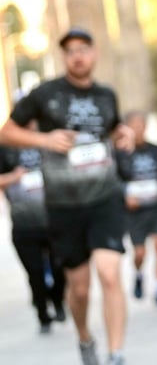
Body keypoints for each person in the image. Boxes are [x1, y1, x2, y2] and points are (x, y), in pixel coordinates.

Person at [0, 27, 135, 365]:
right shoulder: (45, 94)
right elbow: (7, 132)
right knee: (80, 289)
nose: (77, 55)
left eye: (83, 48)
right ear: (64, 57)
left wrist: (124, 134)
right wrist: (44, 141)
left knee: (109, 273)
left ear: (94, 53)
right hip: (64, 204)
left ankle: (116, 354)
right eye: (70, 50)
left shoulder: (106, 95)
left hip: (104, 197)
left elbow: (113, 128)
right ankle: (85, 337)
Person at [0, 130, 67, 334]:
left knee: (60, 269)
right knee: (35, 274)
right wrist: (15, 176)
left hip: (53, 221)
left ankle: (57, 301)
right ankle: (43, 316)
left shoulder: (48, 142)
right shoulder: (5, 150)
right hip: (24, 224)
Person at [116, 110, 157, 307]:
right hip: (134, 210)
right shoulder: (121, 154)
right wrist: (125, 194)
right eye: (134, 126)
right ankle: (139, 274)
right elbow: (114, 179)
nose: (138, 130)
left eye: (141, 125)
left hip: (156, 205)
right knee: (140, 252)